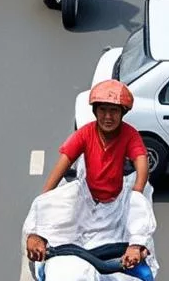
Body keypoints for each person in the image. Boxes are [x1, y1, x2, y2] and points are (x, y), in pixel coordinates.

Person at [26, 79, 149, 270]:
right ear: (95, 111)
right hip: (87, 199)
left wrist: (137, 191)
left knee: (140, 203)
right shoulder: (85, 133)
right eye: (103, 110)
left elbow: (141, 161)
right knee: (44, 203)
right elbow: (63, 163)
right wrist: (45, 201)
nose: (108, 117)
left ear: (122, 113)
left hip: (116, 203)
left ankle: (136, 248)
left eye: (114, 111)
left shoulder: (129, 134)